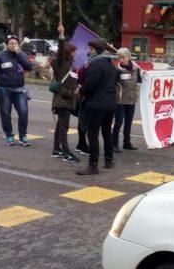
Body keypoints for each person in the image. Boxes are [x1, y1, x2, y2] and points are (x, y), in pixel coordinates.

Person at [77, 39, 120, 175]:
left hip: (96, 104)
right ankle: (109, 159)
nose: (88, 52)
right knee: (107, 132)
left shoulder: (96, 64)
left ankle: (93, 165)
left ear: (96, 50)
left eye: (90, 49)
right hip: (110, 104)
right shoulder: (110, 63)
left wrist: (81, 90)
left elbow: (91, 84)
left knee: (93, 133)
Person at [0, 35, 33, 146]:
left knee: (23, 112)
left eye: (16, 43)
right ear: (7, 45)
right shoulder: (0, 55)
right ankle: (9, 135)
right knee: (6, 113)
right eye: (11, 43)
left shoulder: (21, 55)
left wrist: (19, 54)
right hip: (3, 89)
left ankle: (23, 136)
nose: (14, 45)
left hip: (19, 89)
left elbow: (28, 67)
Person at [50, 24, 80, 163]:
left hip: (67, 98)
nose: (75, 53)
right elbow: (61, 51)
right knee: (64, 126)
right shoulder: (61, 62)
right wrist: (61, 35)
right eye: (73, 51)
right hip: (62, 99)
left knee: (60, 125)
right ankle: (66, 152)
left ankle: (56, 149)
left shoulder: (70, 64)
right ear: (68, 52)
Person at [113, 48, 141, 152]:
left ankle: (127, 142)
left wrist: (144, 73)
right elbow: (113, 83)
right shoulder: (117, 69)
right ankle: (114, 143)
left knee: (128, 122)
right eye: (119, 57)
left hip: (131, 99)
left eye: (123, 57)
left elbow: (141, 80)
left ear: (128, 57)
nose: (120, 59)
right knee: (118, 123)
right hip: (120, 100)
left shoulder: (135, 68)